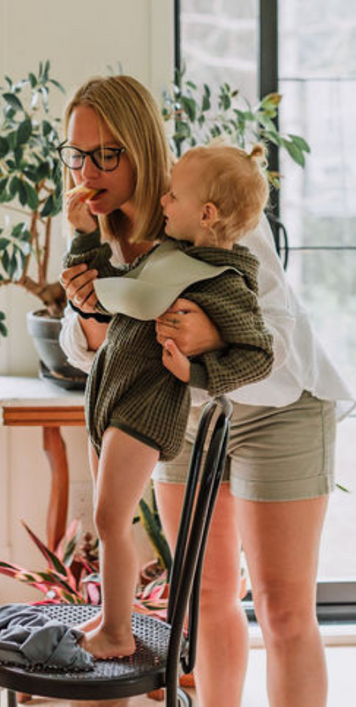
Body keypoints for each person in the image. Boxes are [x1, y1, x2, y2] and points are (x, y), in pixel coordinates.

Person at [59, 75, 355, 707]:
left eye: (107, 153)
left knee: (282, 608)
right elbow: (84, 349)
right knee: (204, 598)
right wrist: (92, 315)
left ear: (142, 148)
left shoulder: (208, 208)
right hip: (182, 418)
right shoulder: (96, 234)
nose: (90, 169)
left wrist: (207, 334)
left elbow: (273, 333)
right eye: (78, 154)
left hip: (278, 408)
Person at [62, 143, 274, 659]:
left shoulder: (222, 281)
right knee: (111, 522)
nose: (162, 201)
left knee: (112, 520)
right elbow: (107, 294)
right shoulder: (169, 253)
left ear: (206, 214)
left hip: (144, 410)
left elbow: (259, 355)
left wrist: (196, 370)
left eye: (173, 195)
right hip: (109, 401)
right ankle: (115, 616)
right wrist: (84, 236)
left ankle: (117, 634)